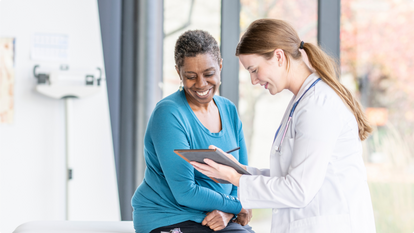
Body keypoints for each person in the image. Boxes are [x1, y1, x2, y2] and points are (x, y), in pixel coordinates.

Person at [191, 19, 377, 233]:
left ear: (279, 57)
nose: (253, 80)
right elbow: (289, 176)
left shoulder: (318, 105)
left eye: (254, 70)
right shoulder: (303, 101)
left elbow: (298, 190)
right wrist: (238, 170)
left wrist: (236, 178)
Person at [131, 30, 254, 233]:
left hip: (218, 217)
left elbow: (240, 175)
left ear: (220, 66)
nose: (201, 84)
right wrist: (237, 207)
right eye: (190, 76)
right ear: (179, 73)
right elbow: (185, 192)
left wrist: (229, 212)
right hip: (169, 217)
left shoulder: (229, 110)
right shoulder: (169, 113)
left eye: (209, 74)